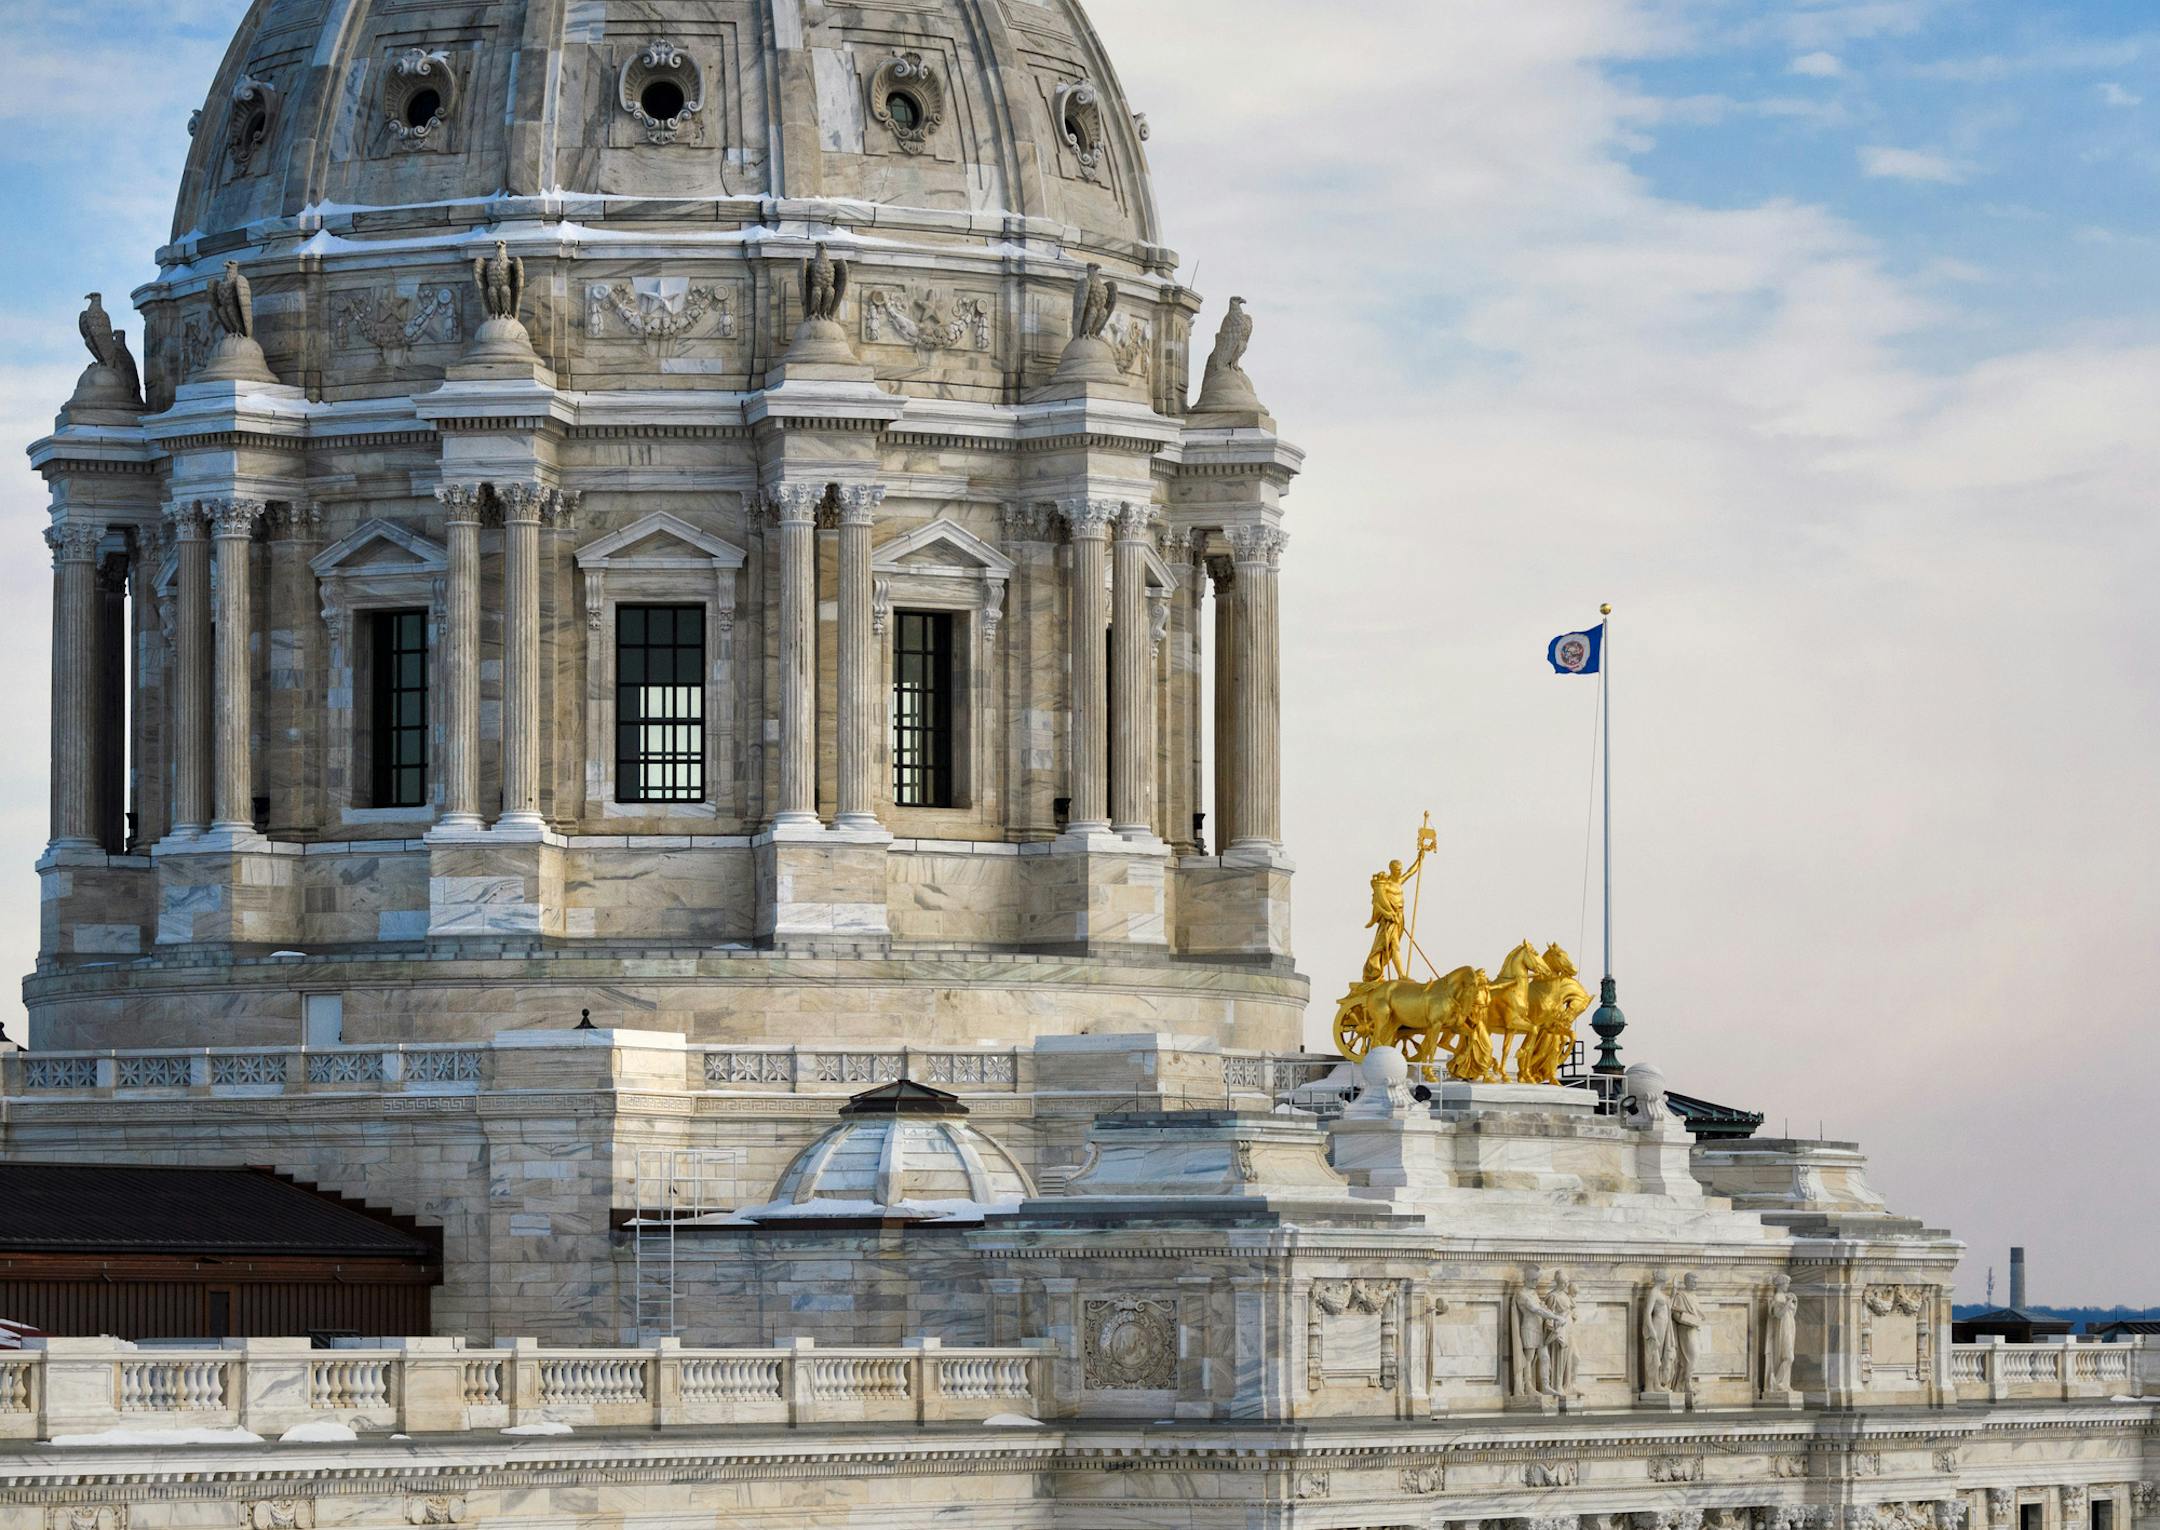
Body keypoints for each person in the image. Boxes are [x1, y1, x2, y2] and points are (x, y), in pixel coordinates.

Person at [1642, 1269, 1675, 1392]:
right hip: (1657, 1325)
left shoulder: (1660, 1293)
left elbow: (1668, 1304)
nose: (1667, 1281)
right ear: (1662, 1279)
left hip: (1665, 1325)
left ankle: (1658, 1383)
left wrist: (1674, 1290)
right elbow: (1647, 1313)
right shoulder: (1653, 1292)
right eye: (1666, 1279)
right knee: (1655, 1355)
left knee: (1660, 1355)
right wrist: (1652, 1331)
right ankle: (1654, 1384)